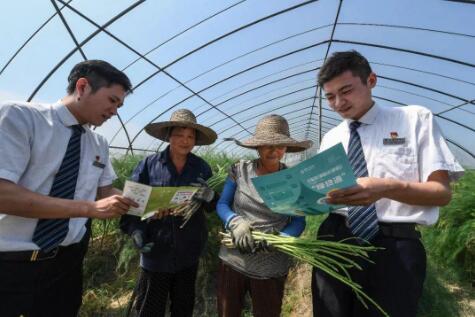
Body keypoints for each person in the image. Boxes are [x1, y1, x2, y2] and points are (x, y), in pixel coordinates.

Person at [311, 50, 464, 317]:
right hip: (335, 238)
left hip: (394, 247)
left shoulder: (413, 119)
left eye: (346, 91)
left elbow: (441, 193)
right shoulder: (331, 137)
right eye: (330, 96)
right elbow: (323, 193)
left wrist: (385, 188)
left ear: (371, 80)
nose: (338, 103)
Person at [0, 60, 138, 316]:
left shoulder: (98, 143)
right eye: (112, 100)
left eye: (119, 105)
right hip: (11, 262)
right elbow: (3, 194)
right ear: (83, 86)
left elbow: (105, 192)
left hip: (66, 264)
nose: (114, 111)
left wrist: (147, 205)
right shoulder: (21, 118)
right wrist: (89, 208)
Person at [119, 109, 219, 317]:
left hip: (188, 251)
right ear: (168, 136)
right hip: (156, 250)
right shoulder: (148, 166)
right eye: (179, 135)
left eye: (190, 136)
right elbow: (131, 204)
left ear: (196, 140)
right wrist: (136, 231)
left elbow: (211, 208)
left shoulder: (201, 168)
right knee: (150, 308)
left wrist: (210, 196)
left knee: (183, 307)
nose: (185, 141)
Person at [216, 114, 312, 317]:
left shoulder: (292, 180)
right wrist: (235, 222)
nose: (274, 150)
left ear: (286, 148)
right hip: (234, 259)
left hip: (271, 264)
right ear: (257, 147)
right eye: (267, 145)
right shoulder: (239, 170)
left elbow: (299, 221)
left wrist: (280, 239)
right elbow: (223, 204)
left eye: (280, 145)